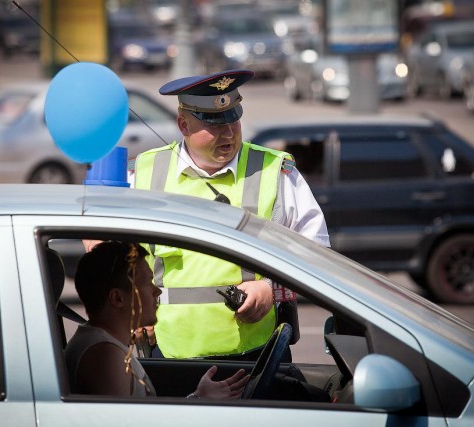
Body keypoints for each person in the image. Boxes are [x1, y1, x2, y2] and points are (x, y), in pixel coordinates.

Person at [127, 69, 330, 361]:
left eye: (233, 119)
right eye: (214, 124)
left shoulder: (276, 172)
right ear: (183, 125)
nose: (229, 133)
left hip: (257, 356)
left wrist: (271, 289)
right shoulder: (143, 174)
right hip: (170, 356)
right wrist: (136, 307)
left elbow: (317, 253)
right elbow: (116, 254)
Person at [65, 241, 248, 398]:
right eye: (146, 283)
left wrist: (198, 397)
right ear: (118, 299)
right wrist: (199, 400)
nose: (157, 291)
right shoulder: (105, 356)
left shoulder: (104, 345)